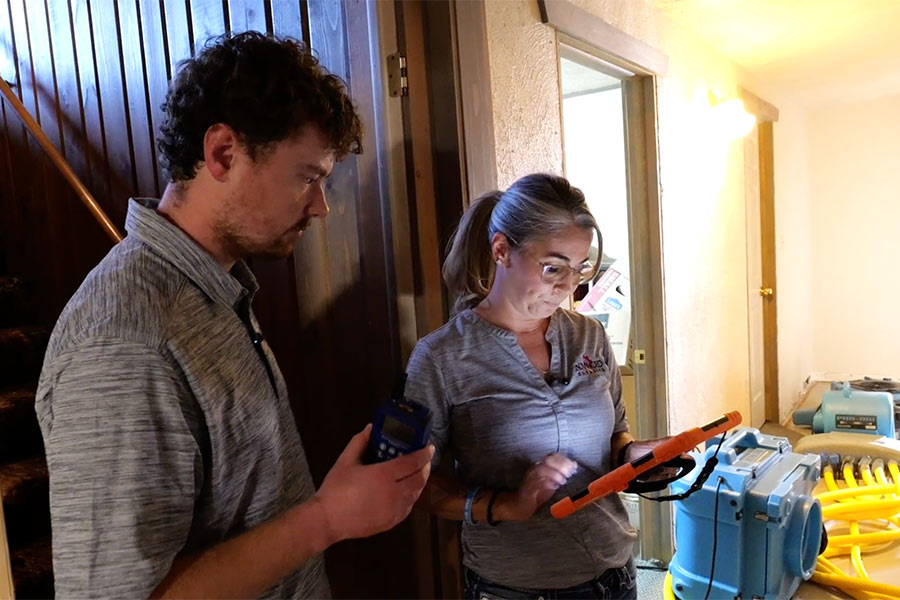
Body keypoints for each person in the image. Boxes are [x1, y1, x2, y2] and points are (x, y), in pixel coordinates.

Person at [35, 32, 432, 599]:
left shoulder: (210, 288)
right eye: (309, 177)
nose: (321, 206)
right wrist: (328, 518)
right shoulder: (124, 340)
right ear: (223, 152)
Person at [405, 173, 670, 599]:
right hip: (515, 587)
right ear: (501, 251)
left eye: (579, 269)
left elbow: (616, 434)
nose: (567, 287)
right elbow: (414, 484)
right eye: (553, 268)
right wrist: (506, 505)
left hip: (614, 573)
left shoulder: (589, 336)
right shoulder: (442, 357)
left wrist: (636, 456)